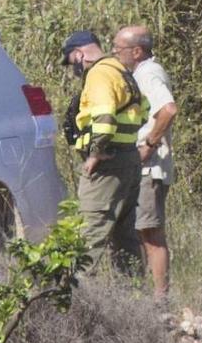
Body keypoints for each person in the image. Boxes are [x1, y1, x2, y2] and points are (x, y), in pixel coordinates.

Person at [61, 30, 148, 274]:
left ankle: (76, 301)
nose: (74, 69)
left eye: (72, 63)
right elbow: (144, 110)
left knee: (90, 234)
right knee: (125, 237)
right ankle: (132, 299)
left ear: (79, 54)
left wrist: (95, 154)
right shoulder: (121, 70)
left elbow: (105, 116)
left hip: (107, 164)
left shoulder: (98, 74)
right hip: (128, 159)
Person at [114, 26, 178, 304]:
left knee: (150, 233)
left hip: (150, 166)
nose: (116, 54)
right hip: (141, 166)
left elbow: (168, 109)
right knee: (139, 231)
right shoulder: (138, 75)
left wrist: (149, 145)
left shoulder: (149, 73)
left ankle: (160, 300)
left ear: (137, 51)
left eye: (119, 49)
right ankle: (142, 297)